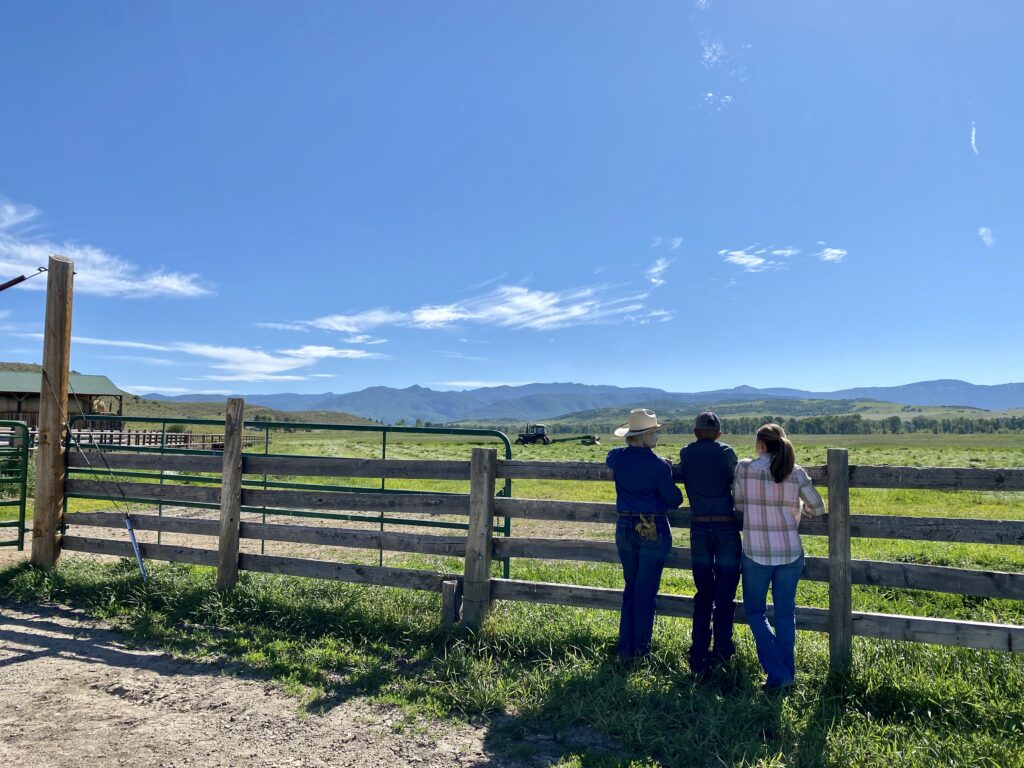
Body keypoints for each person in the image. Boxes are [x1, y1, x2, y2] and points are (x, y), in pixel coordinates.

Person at [734, 423, 826, 690]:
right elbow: (818, 507)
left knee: (754, 612)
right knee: (785, 614)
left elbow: (739, 504)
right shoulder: (794, 472)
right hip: (789, 551)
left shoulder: (745, 469)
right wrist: (797, 511)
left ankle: (779, 672)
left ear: (760, 444)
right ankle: (786, 673)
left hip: (756, 551)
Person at [606, 408, 683, 661]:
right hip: (652, 526)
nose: (657, 438)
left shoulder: (617, 458)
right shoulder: (658, 465)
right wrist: (668, 472)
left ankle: (624, 648)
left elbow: (612, 457)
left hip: (625, 525)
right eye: (653, 433)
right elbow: (674, 500)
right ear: (642, 437)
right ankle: (641, 650)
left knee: (631, 586)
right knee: (646, 589)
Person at [675, 411, 740, 676]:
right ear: (719, 434)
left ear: (695, 432)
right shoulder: (726, 453)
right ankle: (723, 652)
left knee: (704, 593)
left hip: (699, 527)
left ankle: (698, 653)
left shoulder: (686, 453)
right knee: (725, 594)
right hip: (726, 526)